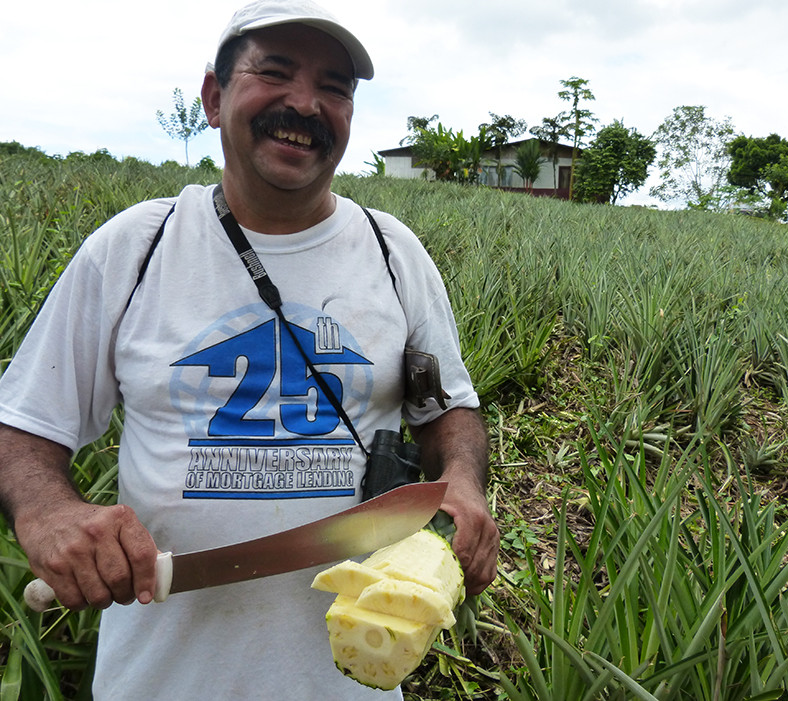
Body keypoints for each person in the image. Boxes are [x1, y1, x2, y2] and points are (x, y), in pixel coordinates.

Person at [0, 1, 499, 698]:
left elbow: (449, 412)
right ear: (213, 97)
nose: (306, 103)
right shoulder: (135, 249)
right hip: (161, 681)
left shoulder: (394, 254)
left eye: (334, 87)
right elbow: (23, 424)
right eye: (275, 72)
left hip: (352, 679)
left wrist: (464, 481)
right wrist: (48, 510)